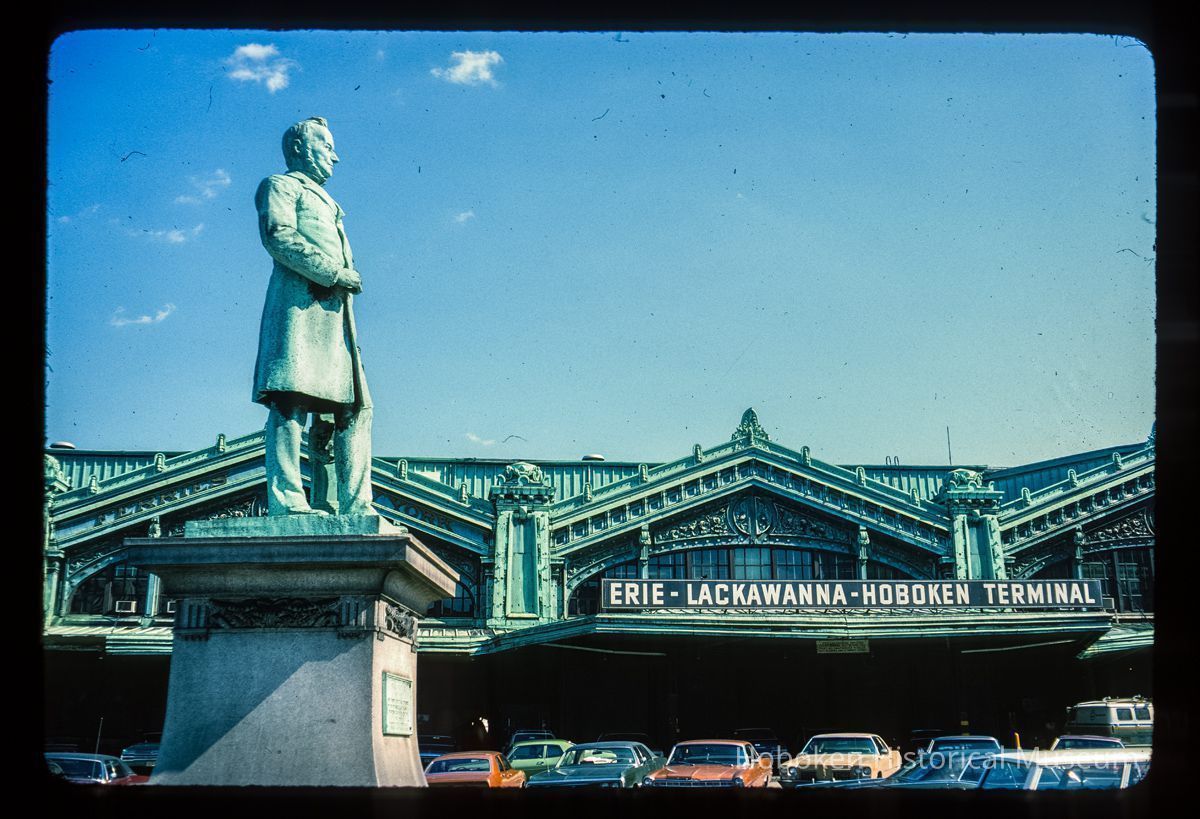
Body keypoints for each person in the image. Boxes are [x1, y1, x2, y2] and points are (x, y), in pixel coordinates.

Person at [252, 116, 374, 516]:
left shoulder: (327, 200)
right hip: (300, 309)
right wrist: (334, 272)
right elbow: (279, 236)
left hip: (335, 317)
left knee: (352, 409)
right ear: (302, 149)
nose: (336, 157)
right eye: (327, 147)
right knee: (291, 403)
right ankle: (288, 501)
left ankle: (352, 505)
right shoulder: (281, 185)